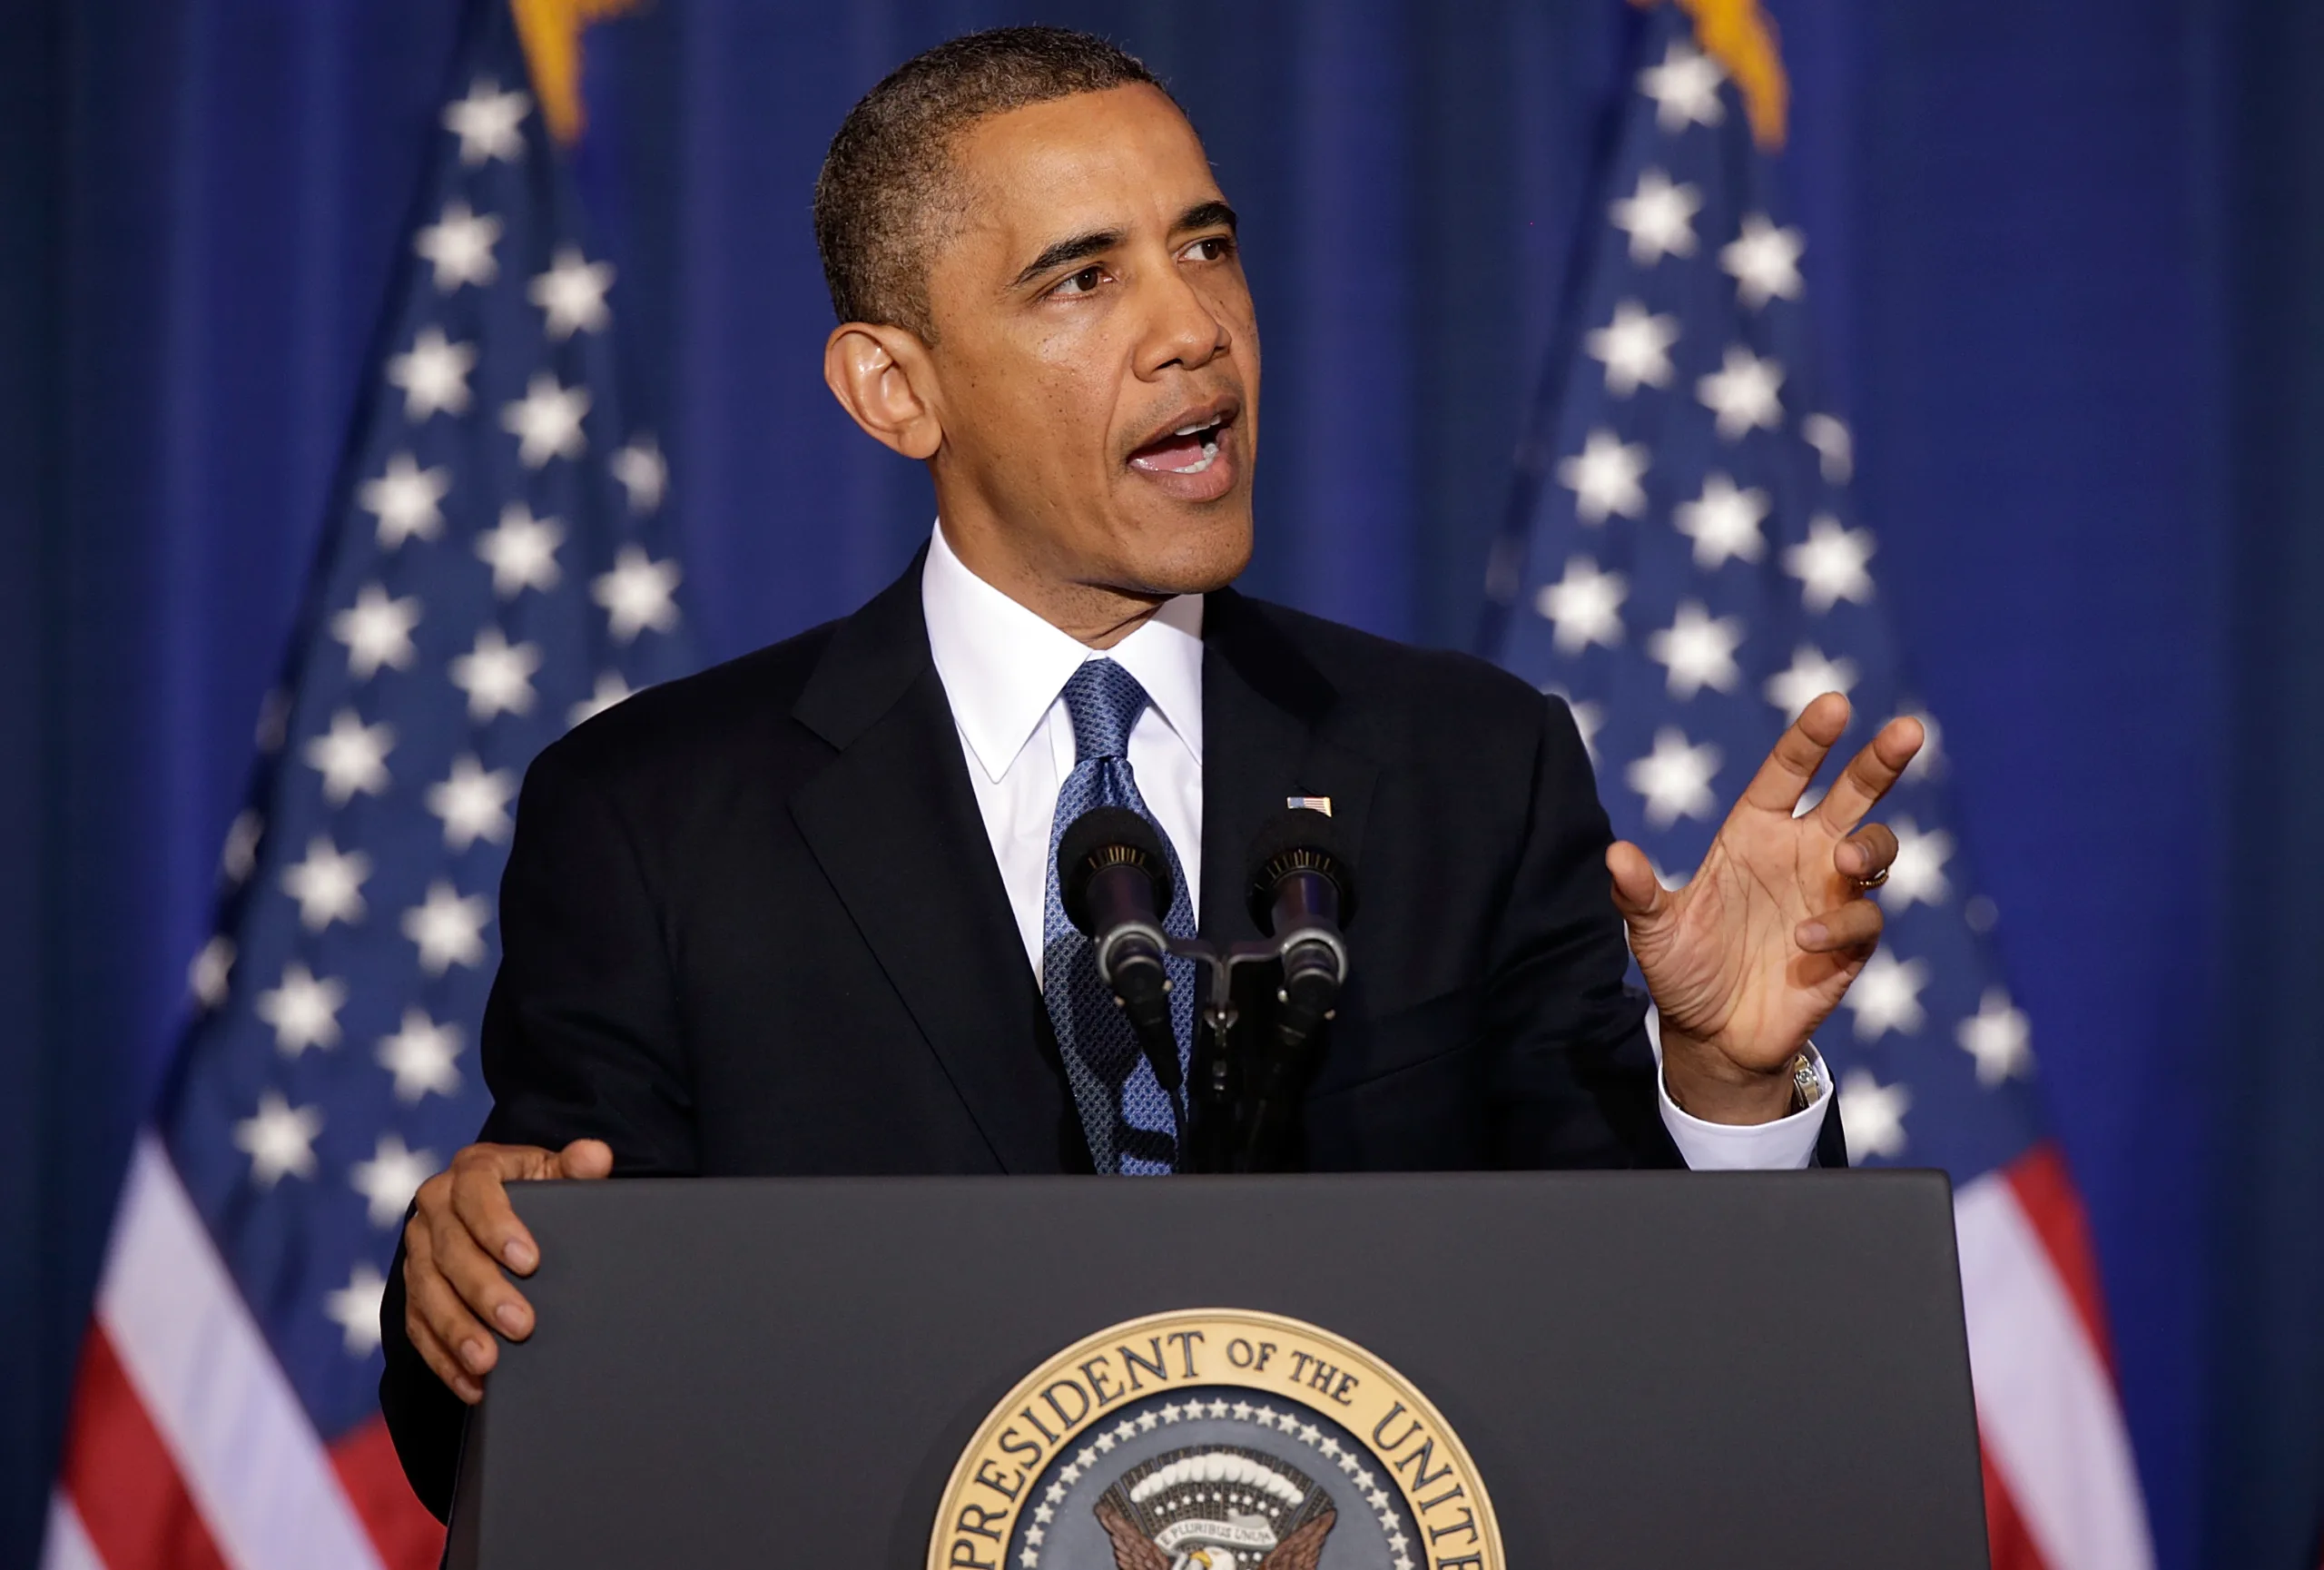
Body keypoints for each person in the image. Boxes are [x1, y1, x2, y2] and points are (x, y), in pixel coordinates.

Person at [380, 25, 1920, 1516]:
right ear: (893, 390)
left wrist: (1725, 1084)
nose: (1194, 327)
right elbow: (547, 1402)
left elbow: (1632, 1348)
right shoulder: (654, 817)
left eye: (1207, 245)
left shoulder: (1467, 761)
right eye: (1083, 277)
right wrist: (474, 1288)